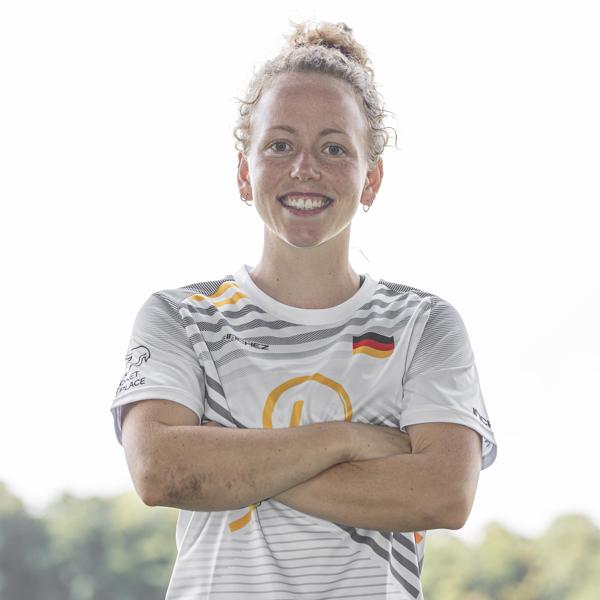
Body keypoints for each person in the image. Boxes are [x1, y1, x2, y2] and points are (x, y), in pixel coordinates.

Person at [110, 19, 497, 600]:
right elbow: (160, 471)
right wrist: (349, 440)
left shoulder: (425, 326)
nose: (305, 168)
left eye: (334, 148)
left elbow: (444, 494)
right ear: (244, 172)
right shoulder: (179, 316)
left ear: (372, 179)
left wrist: (228, 460)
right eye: (280, 145)